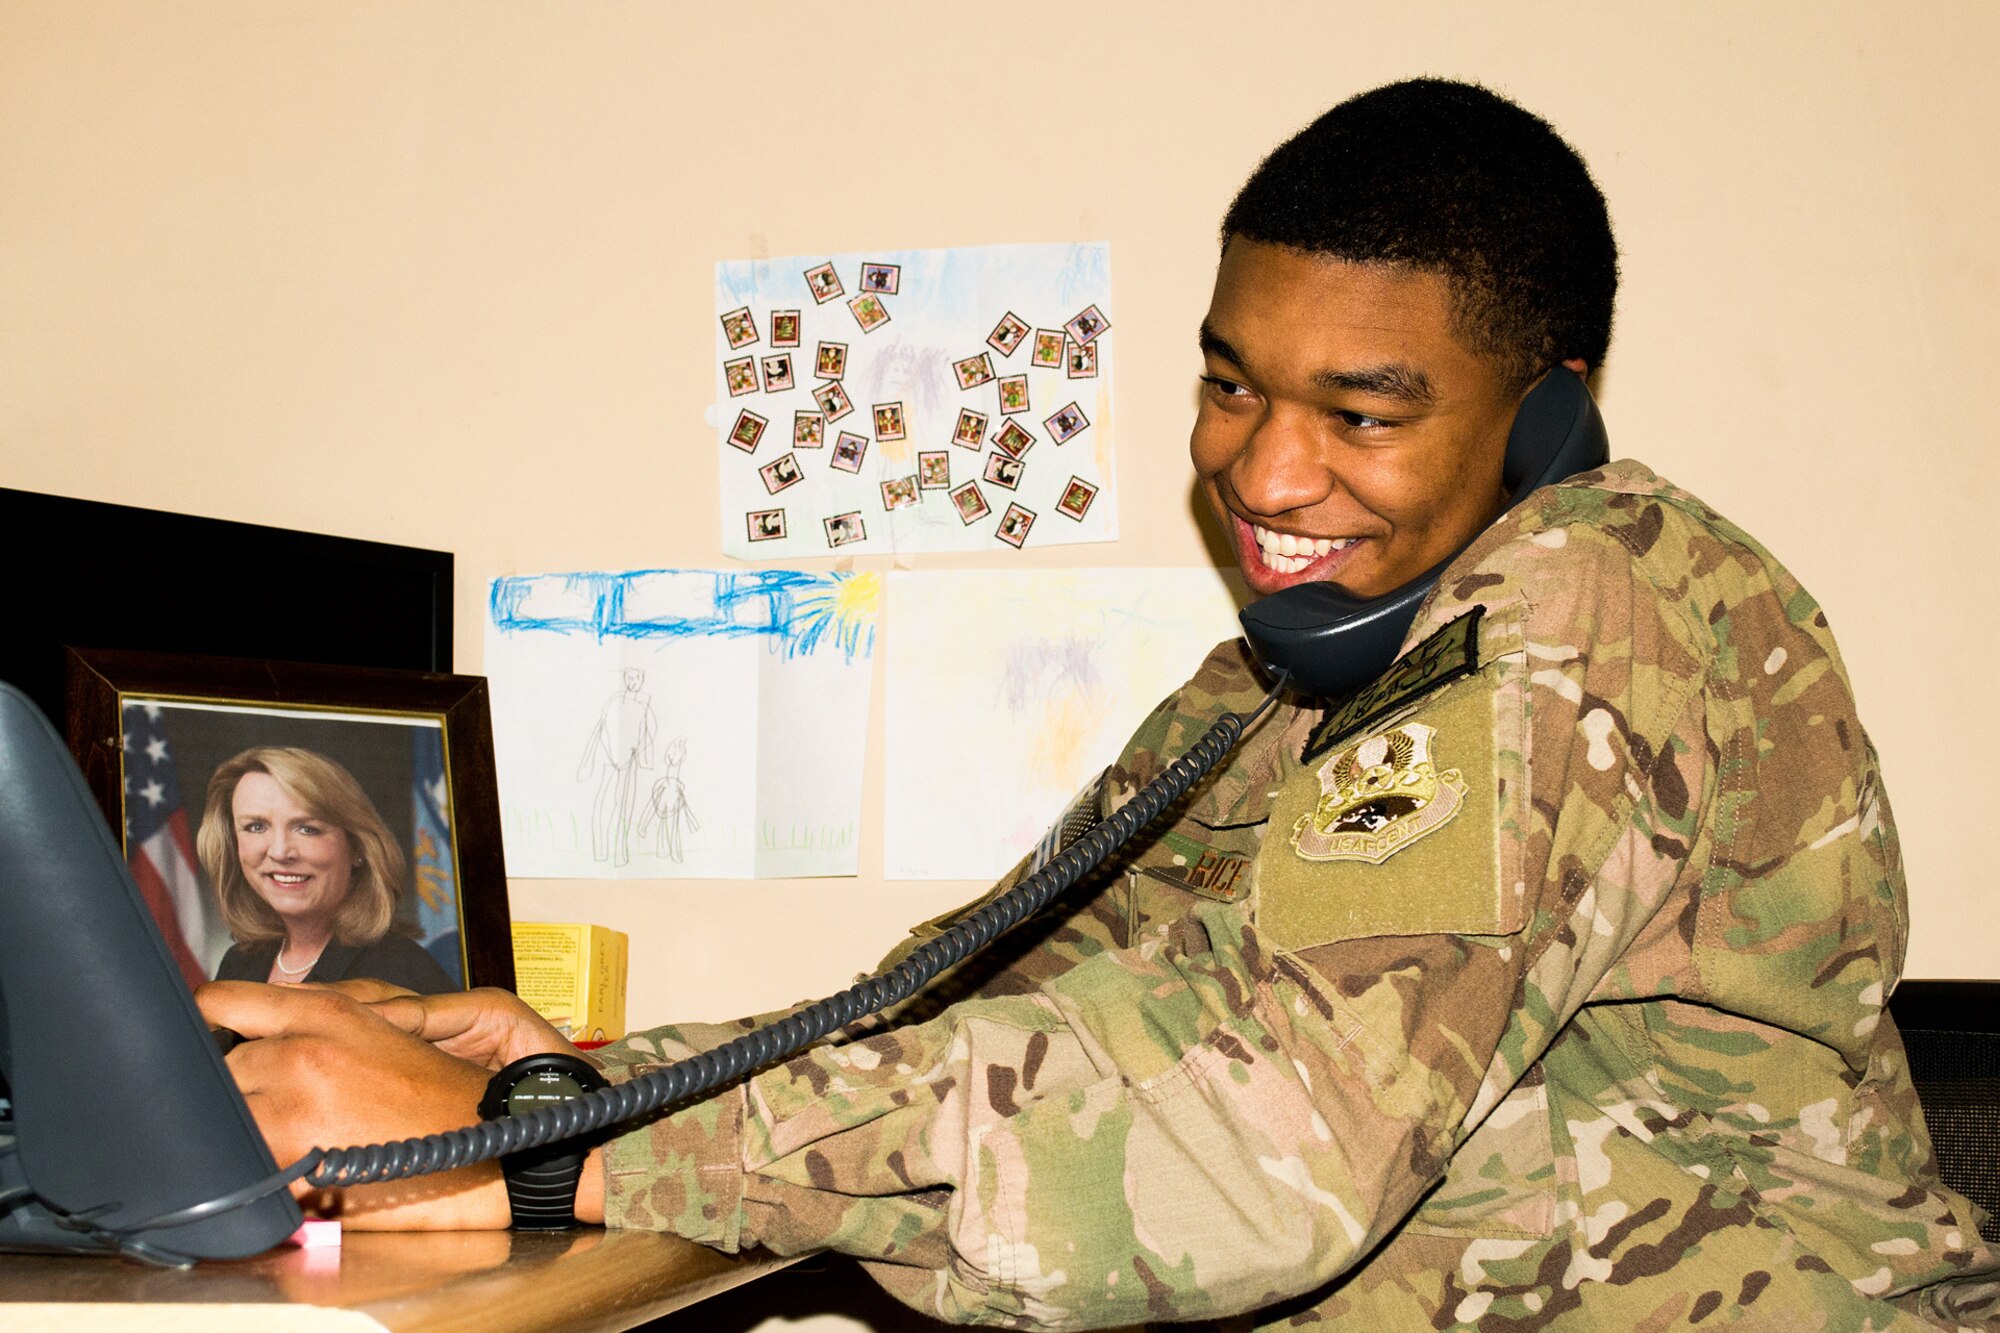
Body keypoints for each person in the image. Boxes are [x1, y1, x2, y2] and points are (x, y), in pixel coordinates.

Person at [199, 80, 2000, 1327]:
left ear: (1547, 418)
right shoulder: (1279, 685)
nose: (1262, 470)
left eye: (1362, 409)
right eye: (1231, 383)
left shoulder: (1593, 597)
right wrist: (563, 1078)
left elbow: (1259, 1148)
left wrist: (553, 1161)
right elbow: (992, 1003)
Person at [199, 746, 455, 995]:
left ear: (357, 848)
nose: (279, 852)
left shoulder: (400, 970)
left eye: (307, 829)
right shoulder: (240, 964)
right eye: (256, 827)